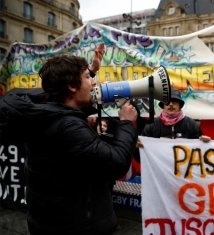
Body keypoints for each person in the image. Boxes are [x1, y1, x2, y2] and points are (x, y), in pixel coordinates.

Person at [0, 43, 139, 235]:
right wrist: (126, 123)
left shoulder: (45, 114)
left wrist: (89, 71)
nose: (94, 83)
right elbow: (117, 163)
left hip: (52, 223)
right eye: (88, 78)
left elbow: (61, 98)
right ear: (72, 86)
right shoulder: (69, 127)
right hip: (79, 227)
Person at [137, 88, 210, 144]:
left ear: (180, 106)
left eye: (174, 101)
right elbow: (140, 157)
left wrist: (205, 142)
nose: (171, 104)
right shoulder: (151, 126)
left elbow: (200, 152)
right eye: (167, 102)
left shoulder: (192, 125)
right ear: (163, 106)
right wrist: (138, 147)